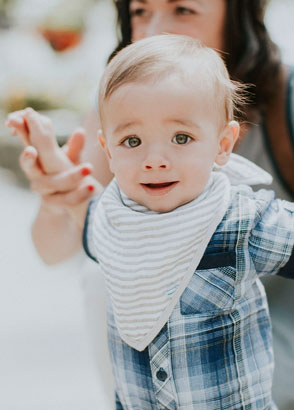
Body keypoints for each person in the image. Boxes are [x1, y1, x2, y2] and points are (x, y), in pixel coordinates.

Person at [6, 1, 294, 408]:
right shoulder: (122, 101)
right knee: (95, 278)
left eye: (183, 9)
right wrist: (59, 195)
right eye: (141, 11)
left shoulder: (247, 209)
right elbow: (68, 241)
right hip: (152, 387)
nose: (156, 30)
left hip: (264, 356)